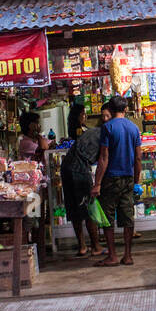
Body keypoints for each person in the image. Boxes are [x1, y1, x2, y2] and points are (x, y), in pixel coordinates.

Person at [90, 96, 142, 266]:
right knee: (128, 217)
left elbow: (104, 158)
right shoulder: (134, 128)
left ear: (111, 111)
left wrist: (97, 184)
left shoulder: (108, 127)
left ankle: (112, 255)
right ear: (125, 109)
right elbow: (138, 158)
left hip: (110, 179)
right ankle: (128, 255)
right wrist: (136, 181)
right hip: (128, 178)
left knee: (108, 218)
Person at [61, 102, 112, 257]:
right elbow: (104, 159)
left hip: (66, 168)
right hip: (79, 170)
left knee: (74, 209)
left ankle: (82, 247)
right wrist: (98, 183)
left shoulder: (93, 131)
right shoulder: (104, 134)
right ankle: (96, 246)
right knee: (89, 208)